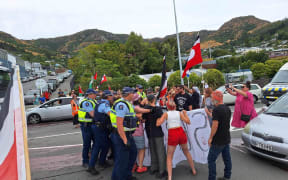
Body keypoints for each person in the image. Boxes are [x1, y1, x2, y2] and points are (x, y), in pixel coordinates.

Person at [110, 87, 153, 180]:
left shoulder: (126, 103)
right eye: (133, 93)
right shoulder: (121, 105)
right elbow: (119, 124)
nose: (134, 95)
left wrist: (150, 110)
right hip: (122, 135)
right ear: (129, 94)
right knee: (122, 160)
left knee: (132, 154)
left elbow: (137, 109)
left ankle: (127, 176)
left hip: (128, 135)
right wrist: (125, 140)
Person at [156, 100, 197, 180]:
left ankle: (170, 177)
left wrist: (158, 119)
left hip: (173, 133)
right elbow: (188, 122)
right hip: (181, 132)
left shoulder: (166, 114)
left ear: (167, 107)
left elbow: (158, 123)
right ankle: (193, 169)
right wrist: (185, 114)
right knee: (186, 152)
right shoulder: (179, 113)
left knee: (169, 156)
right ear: (175, 106)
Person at [208, 90, 232, 180]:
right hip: (226, 137)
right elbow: (221, 120)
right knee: (227, 159)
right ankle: (227, 176)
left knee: (211, 160)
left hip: (218, 140)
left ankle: (212, 178)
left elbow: (215, 125)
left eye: (212, 99)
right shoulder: (227, 108)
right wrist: (211, 114)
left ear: (216, 99)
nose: (212, 101)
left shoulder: (217, 110)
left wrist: (210, 138)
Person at [87, 90, 113, 175]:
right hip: (99, 128)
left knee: (106, 145)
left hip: (101, 127)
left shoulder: (100, 102)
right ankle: (91, 167)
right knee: (97, 147)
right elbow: (111, 114)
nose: (112, 97)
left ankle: (102, 162)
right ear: (108, 97)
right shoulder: (104, 104)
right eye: (111, 96)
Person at [142, 95, 167, 179]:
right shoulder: (158, 109)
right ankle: (162, 170)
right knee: (160, 152)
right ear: (154, 100)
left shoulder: (146, 108)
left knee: (153, 150)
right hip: (157, 132)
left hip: (149, 131)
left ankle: (154, 167)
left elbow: (143, 119)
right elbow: (161, 118)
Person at [78, 89, 97, 171]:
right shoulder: (86, 102)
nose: (95, 95)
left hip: (92, 125)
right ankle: (85, 161)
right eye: (94, 94)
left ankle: (92, 158)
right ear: (89, 94)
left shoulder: (94, 101)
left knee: (96, 143)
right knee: (87, 144)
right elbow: (92, 114)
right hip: (86, 126)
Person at [131, 93, 147, 173]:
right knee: (141, 149)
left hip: (129, 131)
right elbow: (142, 118)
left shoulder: (128, 106)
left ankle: (132, 165)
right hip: (138, 131)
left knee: (132, 149)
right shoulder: (138, 108)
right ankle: (140, 166)